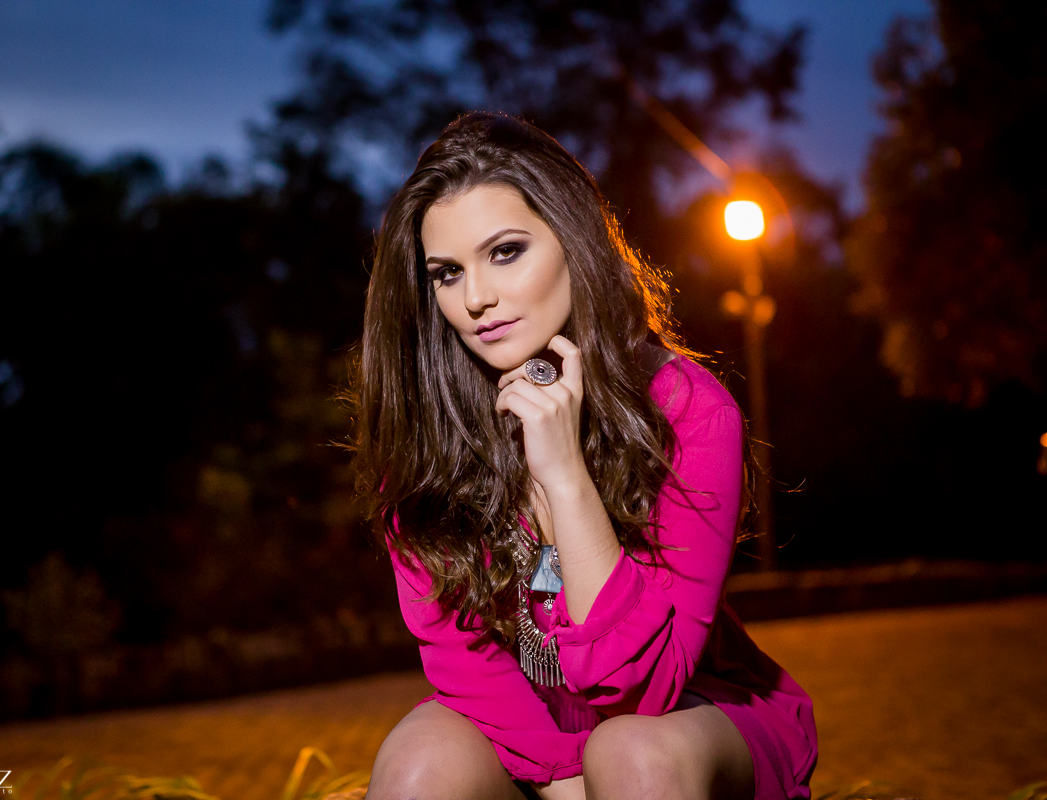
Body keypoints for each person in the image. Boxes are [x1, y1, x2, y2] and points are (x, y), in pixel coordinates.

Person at [347, 112, 817, 800]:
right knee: (419, 768)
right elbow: (460, 658)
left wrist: (564, 475)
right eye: (447, 273)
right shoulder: (431, 432)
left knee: (632, 756)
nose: (476, 299)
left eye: (506, 252)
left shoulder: (687, 409)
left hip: (685, 714)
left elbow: (645, 687)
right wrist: (564, 778)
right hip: (526, 717)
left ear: (574, 240)